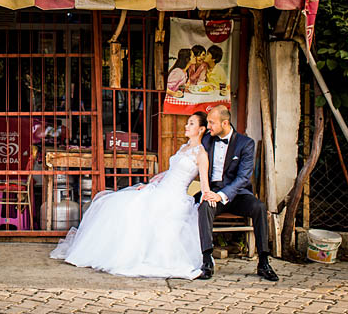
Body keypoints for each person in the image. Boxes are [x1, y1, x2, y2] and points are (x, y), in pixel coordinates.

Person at [50, 112, 211, 279]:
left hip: (174, 197)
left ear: (201, 129)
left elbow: (205, 184)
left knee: (139, 210)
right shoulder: (183, 148)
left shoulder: (201, 154)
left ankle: (131, 257)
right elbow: (171, 172)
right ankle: (107, 251)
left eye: (191, 123)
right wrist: (150, 184)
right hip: (159, 189)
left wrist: (211, 197)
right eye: (187, 122)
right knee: (116, 202)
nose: (186, 126)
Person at [197, 105, 278, 281]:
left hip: (238, 194)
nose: (208, 126)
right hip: (213, 192)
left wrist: (222, 195)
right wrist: (210, 193)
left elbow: (243, 178)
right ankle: (207, 260)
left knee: (259, 207)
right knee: (204, 207)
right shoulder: (206, 141)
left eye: (212, 122)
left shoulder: (245, 143)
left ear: (224, 123)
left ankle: (263, 262)